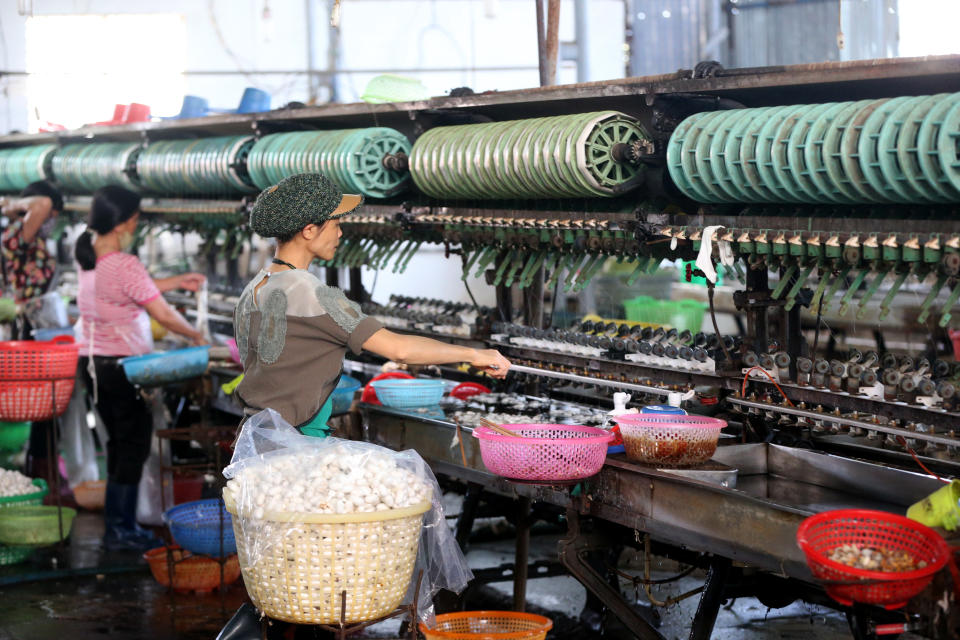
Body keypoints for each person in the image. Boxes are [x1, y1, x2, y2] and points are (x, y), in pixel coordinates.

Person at [234, 173, 511, 435]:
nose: (340, 234)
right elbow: (399, 350)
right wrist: (475, 355)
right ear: (309, 230)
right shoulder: (313, 294)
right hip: (292, 441)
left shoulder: (255, 286)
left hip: (257, 436)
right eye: (336, 225)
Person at [74, 185, 207, 550]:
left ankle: (118, 525)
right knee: (132, 446)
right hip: (124, 369)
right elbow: (161, 312)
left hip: (95, 366)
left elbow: (130, 289)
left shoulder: (88, 256)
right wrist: (197, 337)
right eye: (134, 218)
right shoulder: (122, 263)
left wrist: (177, 281)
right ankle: (122, 529)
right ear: (123, 223)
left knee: (118, 445)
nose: (136, 224)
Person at [0, 180, 62, 310]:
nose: (51, 222)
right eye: (49, 216)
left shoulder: (35, 238)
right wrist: (10, 206)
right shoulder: (19, 233)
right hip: (19, 318)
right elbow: (44, 203)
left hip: (32, 315)